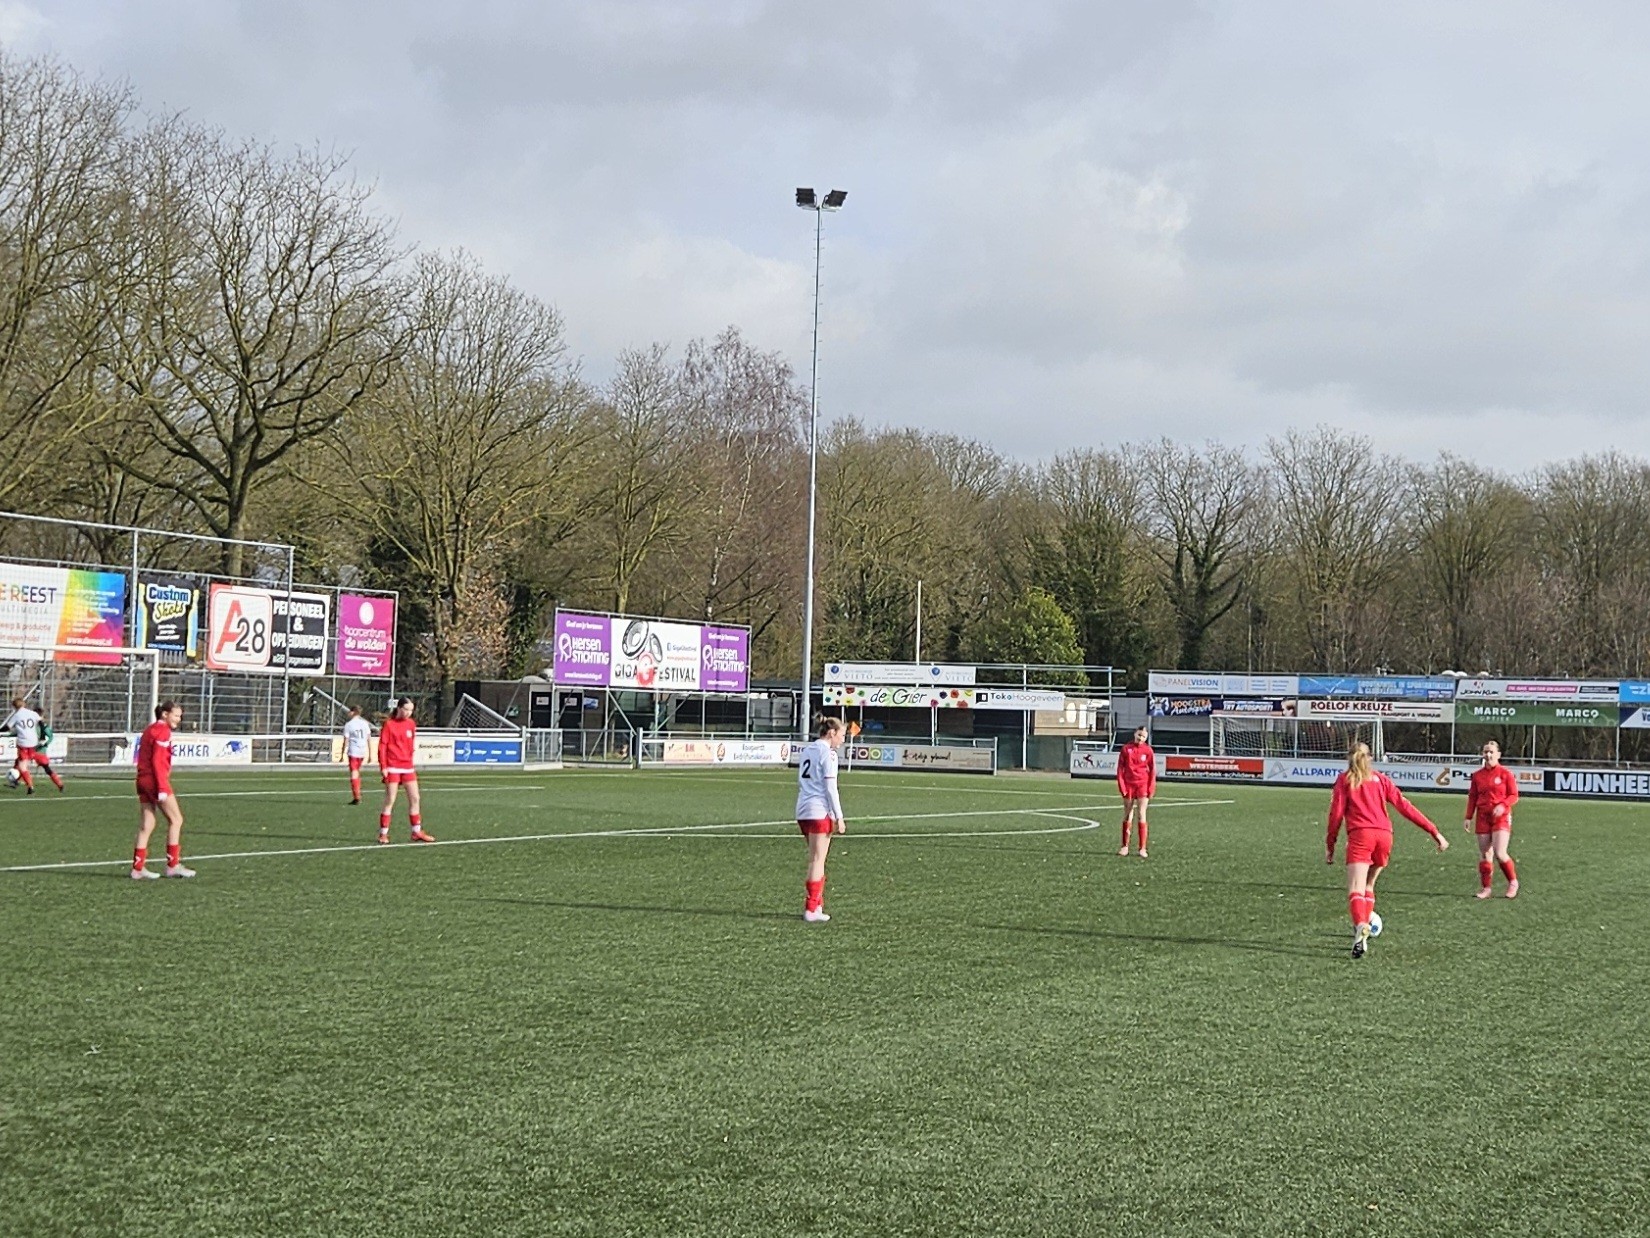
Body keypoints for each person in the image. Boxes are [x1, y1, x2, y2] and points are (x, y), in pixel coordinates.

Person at [1326, 742, 1449, 959]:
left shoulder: (1345, 780)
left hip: (1361, 836)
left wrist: (1330, 845)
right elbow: (1405, 806)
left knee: (1356, 888)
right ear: (1370, 757)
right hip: (1385, 836)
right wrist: (1434, 831)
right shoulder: (1381, 780)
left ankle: (1361, 928)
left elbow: (1335, 815)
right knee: (1369, 885)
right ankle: (1363, 926)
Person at [131, 701, 193, 879]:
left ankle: (137, 868)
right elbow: (158, 761)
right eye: (176, 715)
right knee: (176, 820)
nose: (178, 719)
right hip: (154, 781)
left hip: (142, 780)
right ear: (165, 714)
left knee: (147, 825)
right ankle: (173, 865)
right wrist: (161, 787)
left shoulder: (149, 730)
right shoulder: (162, 731)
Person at [795, 715, 847, 923]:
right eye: (841, 735)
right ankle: (811, 908)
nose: (842, 740)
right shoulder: (829, 754)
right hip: (819, 811)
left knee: (815, 859)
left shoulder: (808, 750)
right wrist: (839, 816)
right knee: (818, 860)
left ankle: (817, 905)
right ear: (832, 733)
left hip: (803, 809)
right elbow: (830, 787)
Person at [1464, 739, 1520, 900]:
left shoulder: (1505, 774)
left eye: (1491, 752)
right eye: (1485, 752)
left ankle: (1513, 882)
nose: (1488, 755)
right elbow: (1473, 796)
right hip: (1482, 816)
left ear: (1498, 755)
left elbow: (1514, 795)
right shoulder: (1477, 776)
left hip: (1501, 817)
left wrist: (1503, 805)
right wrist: (1468, 816)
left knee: (1500, 853)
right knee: (1485, 853)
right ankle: (1486, 888)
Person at [378, 698, 435, 844]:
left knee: (415, 798)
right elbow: (382, 746)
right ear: (399, 708)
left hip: (407, 766)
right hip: (393, 766)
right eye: (406, 709)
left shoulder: (411, 724)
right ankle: (383, 833)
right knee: (390, 799)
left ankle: (416, 832)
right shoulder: (389, 725)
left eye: (411, 710)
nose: (409, 713)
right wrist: (383, 766)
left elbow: (410, 744)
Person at [4, 695, 64, 794]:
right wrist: (44, 742)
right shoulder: (40, 725)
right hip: (38, 750)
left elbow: (14, 732)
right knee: (44, 768)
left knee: (21, 765)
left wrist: (44, 743)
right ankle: (60, 784)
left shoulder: (27, 723)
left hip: (34, 749)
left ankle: (25, 784)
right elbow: (50, 736)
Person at [1116, 725, 1156, 857]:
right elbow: (1120, 769)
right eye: (1139, 735)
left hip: (1142, 785)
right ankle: (1124, 846)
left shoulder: (1148, 751)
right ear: (1135, 734)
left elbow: (1152, 771)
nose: (1141, 738)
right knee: (1128, 814)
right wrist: (1122, 786)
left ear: (1146, 738)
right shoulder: (1126, 749)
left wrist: (1151, 787)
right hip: (1128, 785)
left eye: (1143, 736)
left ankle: (1142, 848)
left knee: (1141, 814)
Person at [341, 705, 373, 805]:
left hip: (353, 751)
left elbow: (346, 740)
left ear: (353, 712)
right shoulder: (365, 724)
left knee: (354, 773)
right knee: (357, 772)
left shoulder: (349, 725)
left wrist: (342, 754)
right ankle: (357, 794)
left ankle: (357, 796)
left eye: (350, 711)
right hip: (362, 752)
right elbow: (368, 739)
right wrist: (370, 754)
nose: (348, 713)